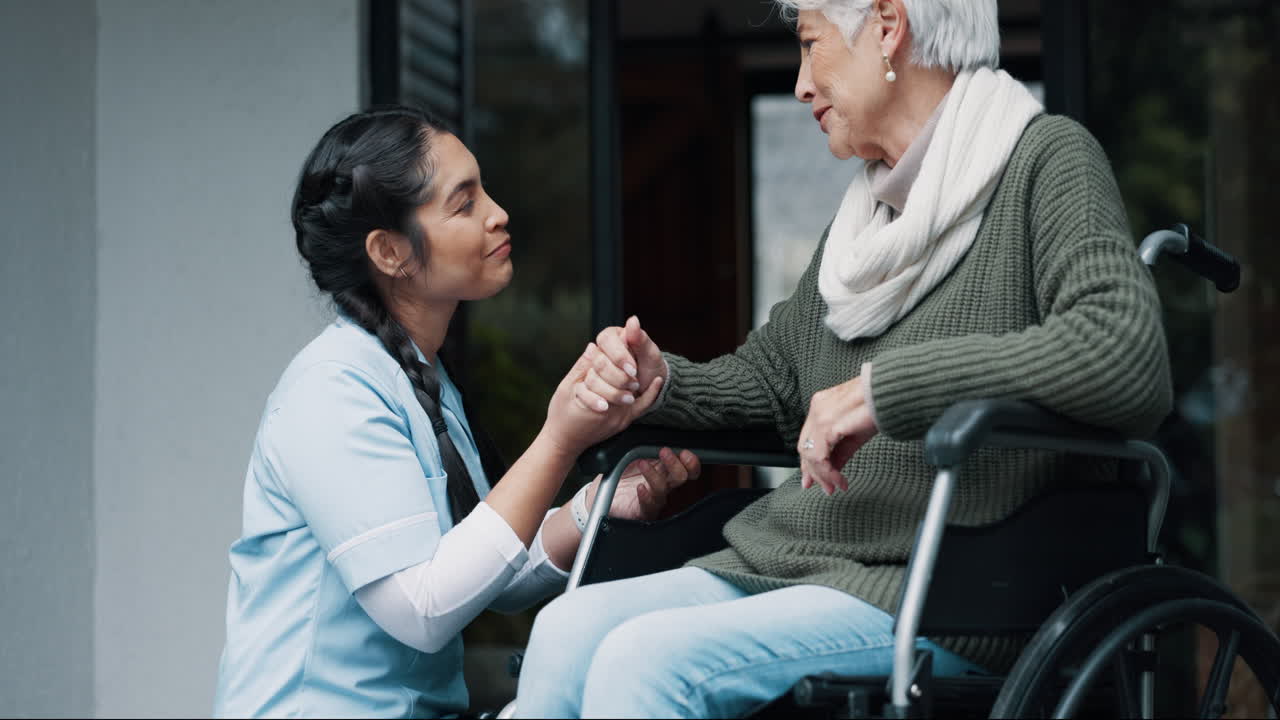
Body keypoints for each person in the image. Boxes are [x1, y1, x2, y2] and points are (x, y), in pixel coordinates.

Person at [514, 0, 1173, 717]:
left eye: (810, 45)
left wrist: (884, 391)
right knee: (565, 629)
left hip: (943, 585)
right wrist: (662, 382)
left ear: (888, 27)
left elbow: (1123, 350)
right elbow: (774, 381)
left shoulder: (1048, 161)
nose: (801, 84)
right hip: (794, 560)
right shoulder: (864, 221)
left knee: (644, 662)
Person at [212, 106, 700, 718]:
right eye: (465, 203)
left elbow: (489, 571)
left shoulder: (422, 379)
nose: (498, 213)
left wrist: (596, 507)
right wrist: (558, 441)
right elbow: (423, 607)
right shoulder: (332, 392)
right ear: (390, 251)